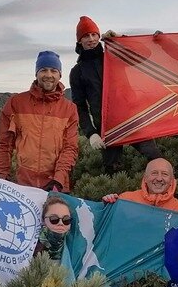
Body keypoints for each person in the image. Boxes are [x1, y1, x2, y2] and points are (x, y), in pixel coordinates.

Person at [69, 15, 161, 174]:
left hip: (131, 119)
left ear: (98, 36)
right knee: (113, 172)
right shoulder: (77, 72)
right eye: (86, 36)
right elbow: (80, 106)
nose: (91, 39)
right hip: (106, 127)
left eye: (93, 34)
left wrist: (119, 39)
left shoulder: (114, 56)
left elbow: (144, 53)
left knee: (156, 159)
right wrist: (91, 133)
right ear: (79, 41)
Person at [0, 50, 79, 191]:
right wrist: (3, 177)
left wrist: (58, 180)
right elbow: (4, 144)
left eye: (53, 70)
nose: (48, 75)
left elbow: (70, 148)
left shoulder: (69, 109)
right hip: (22, 184)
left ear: (60, 74)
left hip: (55, 187)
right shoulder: (15, 103)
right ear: (36, 73)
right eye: (43, 70)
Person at [102, 157, 178, 213]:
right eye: (154, 173)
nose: (159, 178)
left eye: (164, 174)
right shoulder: (126, 200)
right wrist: (107, 206)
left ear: (172, 180)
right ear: (145, 178)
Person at [35, 194, 74, 261]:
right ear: (43, 220)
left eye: (66, 220)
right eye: (54, 219)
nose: (61, 223)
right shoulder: (32, 249)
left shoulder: (75, 249)